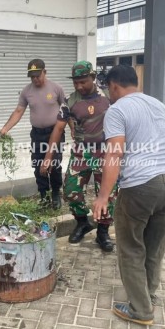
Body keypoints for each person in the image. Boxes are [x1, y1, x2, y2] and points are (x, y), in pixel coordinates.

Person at [92, 65, 165, 325]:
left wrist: (103, 196)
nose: (109, 93)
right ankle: (148, 295)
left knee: (130, 248)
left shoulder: (117, 110)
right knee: (155, 245)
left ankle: (141, 310)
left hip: (141, 186)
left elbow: (115, 154)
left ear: (115, 86)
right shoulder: (159, 105)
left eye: (109, 89)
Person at [41, 60, 118, 251]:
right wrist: (48, 157)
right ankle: (82, 222)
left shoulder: (109, 97)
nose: (79, 86)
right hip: (82, 152)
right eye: (76, 82)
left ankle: (102, 231)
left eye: (83, 81)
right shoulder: (70, 101)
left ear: (92, 77)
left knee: (107, 194)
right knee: (70, 190)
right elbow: (58, 129)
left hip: (106, 152)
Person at [1, 59, 66, 209]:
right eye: (32, 77)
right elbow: (18, 111)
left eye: (38, 75)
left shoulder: (56, 88)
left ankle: (56, 193)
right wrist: (5, 129)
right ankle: (44, 195)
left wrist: (73, 128)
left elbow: (65, 110)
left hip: (54, 133)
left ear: (45, 72)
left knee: (54, 164)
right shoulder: (27, 91)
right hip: (37, 134)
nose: (35, 79)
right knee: (38, 165)